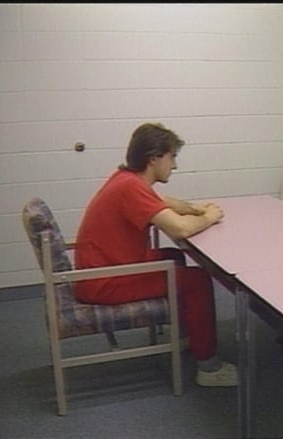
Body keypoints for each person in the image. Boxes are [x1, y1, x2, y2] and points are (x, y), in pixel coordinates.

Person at [73, 122, 237, 387]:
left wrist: (194, 209)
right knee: (196, 281)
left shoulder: (126, 179)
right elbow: (181, 229)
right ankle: (209, 367)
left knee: (172, 257)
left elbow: (164, 203)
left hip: (108, 268)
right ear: (153, 158)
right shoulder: (130, 187)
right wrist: (209, 216)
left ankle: (189, 333)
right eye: (172, 157)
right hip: (103, 281)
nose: (175, 165)